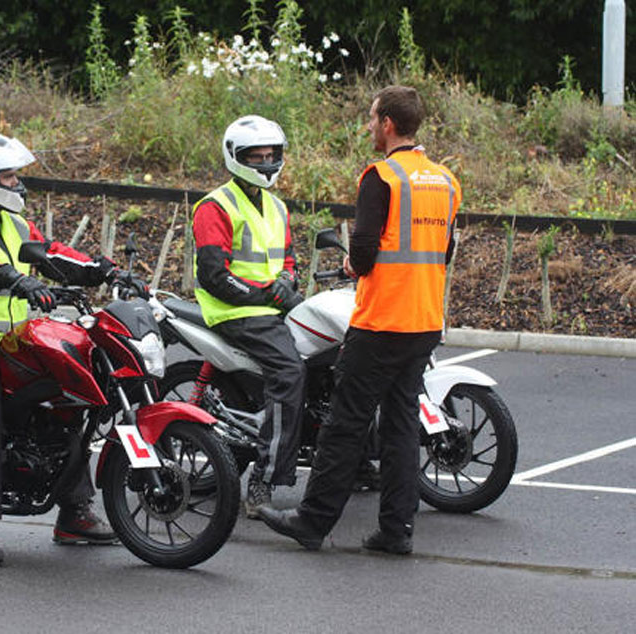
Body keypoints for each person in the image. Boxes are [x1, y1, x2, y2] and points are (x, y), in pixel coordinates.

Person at [260, 85, 461, 554]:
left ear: (388, 124)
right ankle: (396, 531)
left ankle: (312, 522)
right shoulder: (446, 180)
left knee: (345, 424)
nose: (369, 126)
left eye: (372, 119)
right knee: (400, 427)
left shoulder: (381, 177)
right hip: (425, 320)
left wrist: (353, 264)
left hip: (381, 321)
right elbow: (445, 249)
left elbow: (365, 253)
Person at [0, 132, 122, 565]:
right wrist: (16, 279)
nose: (17, 184)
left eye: (14, 176)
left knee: (65, 400)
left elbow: (52, 254)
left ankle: (73, 510)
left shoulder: (11, 221)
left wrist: (107, 272)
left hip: (16, 337)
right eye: (8, 177)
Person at [192, 115, 306, 519]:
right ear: (235, 158)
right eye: (255, 156)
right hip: (235, 311)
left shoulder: (277, 206)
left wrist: (289, 282)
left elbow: (289, 259)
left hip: (272, 307)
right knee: (290, 373)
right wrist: (264, 294)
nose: (264, 162)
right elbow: (214, 275)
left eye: (271, 155)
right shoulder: (214, 207)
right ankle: (265, 478)